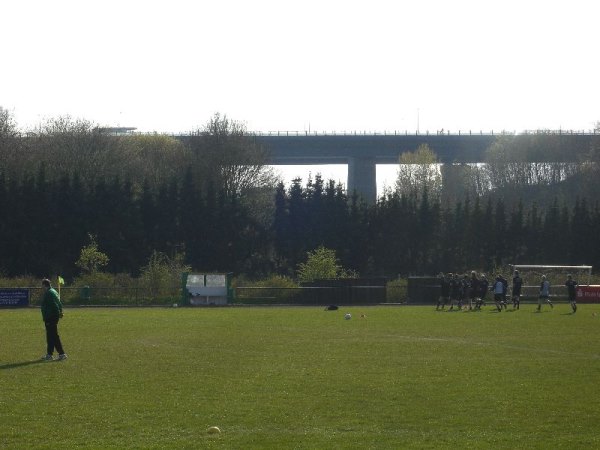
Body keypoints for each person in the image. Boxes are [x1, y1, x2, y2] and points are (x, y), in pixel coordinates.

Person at [41, 278, 67, 361]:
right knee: (51, 336)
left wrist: (58, 313)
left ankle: (61, 354)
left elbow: (54, 305)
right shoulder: (54, 291)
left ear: (44, 285)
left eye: (42, 285)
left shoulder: (48, 293)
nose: (41, 287)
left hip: (50, 316)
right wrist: (60, 311)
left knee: (53, 336)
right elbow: (59, 303)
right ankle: (50, 354)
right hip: (52, 316)